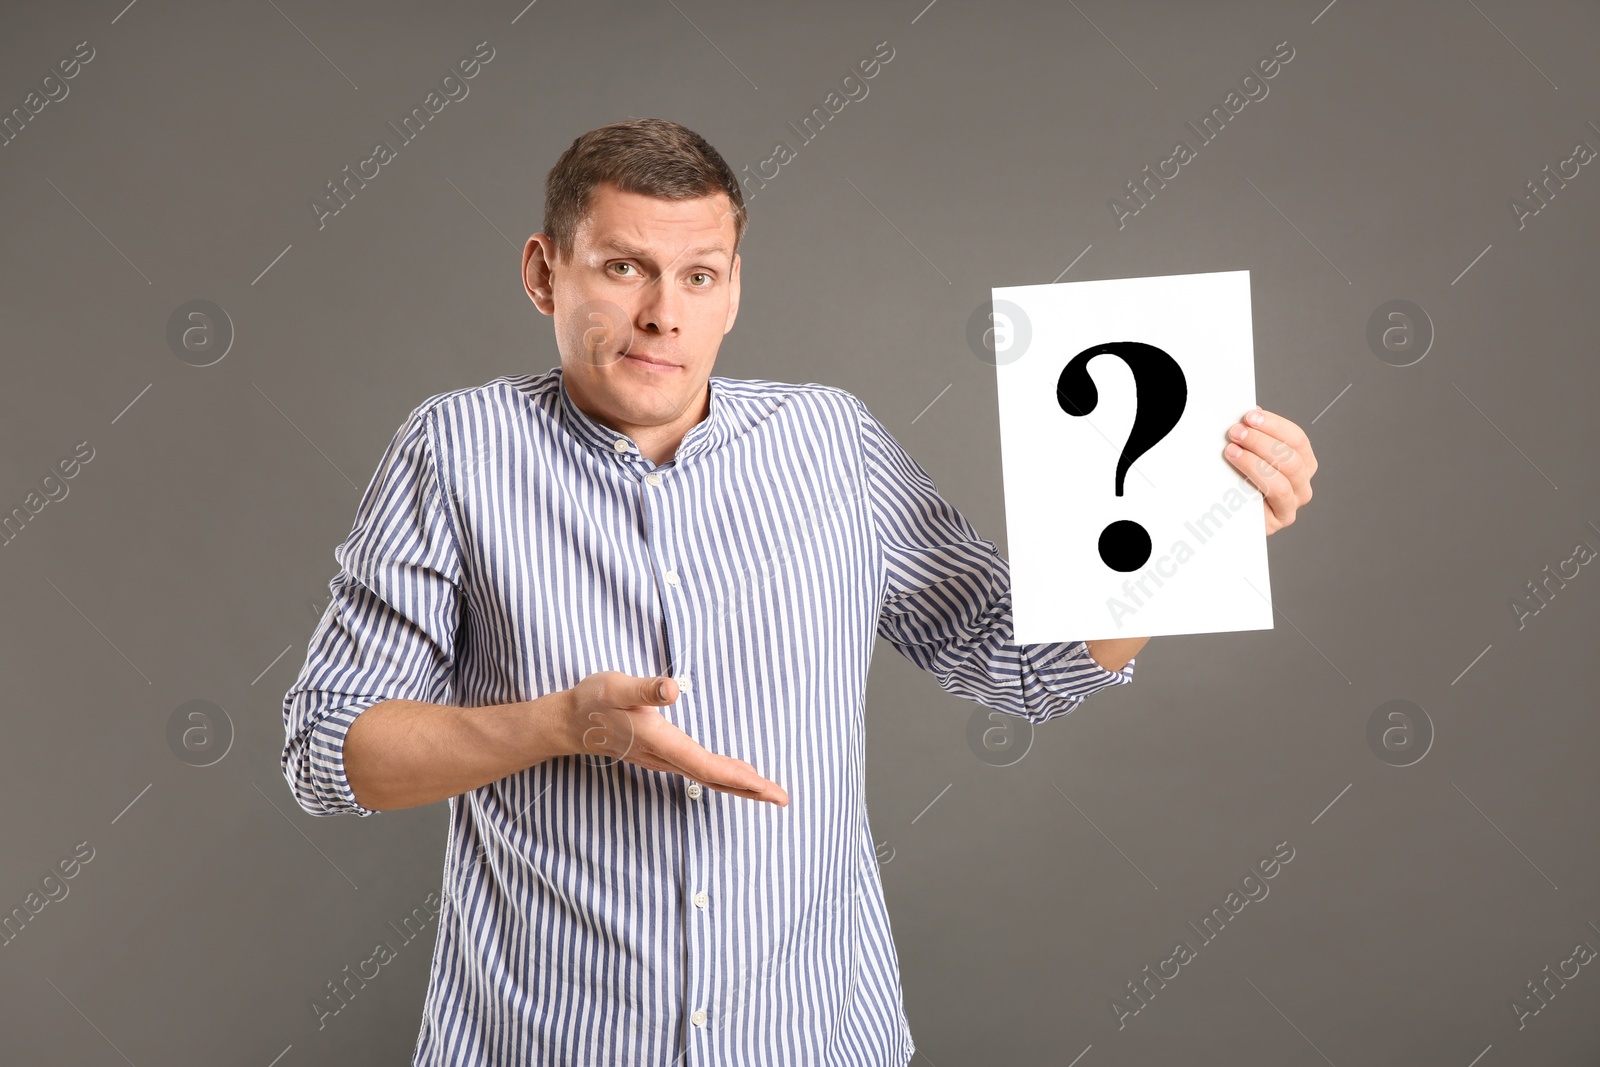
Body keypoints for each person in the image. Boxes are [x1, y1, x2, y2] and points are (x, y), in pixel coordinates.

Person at [280, 117, 1317, 1066]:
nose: (660, 313)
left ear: (734, 288)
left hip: (812, 1038)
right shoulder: (453, 449)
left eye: (697, 275)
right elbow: (330, 753)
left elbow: (1021, 665)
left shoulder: (832, 441)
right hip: (541, 1040)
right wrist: (564, 723)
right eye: (623, 267)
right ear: (544, 273)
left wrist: (1183, 543)